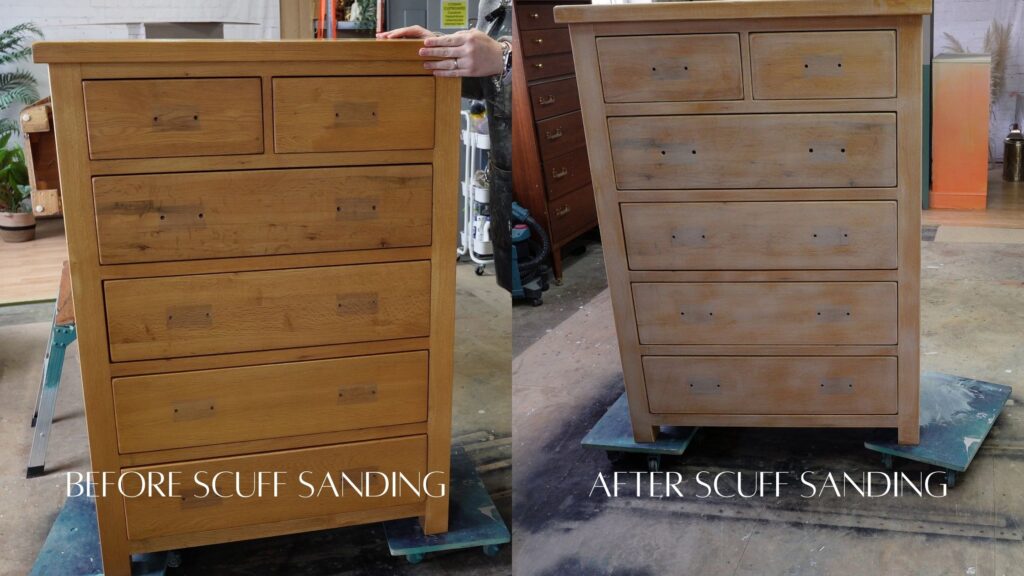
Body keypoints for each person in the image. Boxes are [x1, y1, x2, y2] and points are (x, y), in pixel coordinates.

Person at [377, 0, 513, 291]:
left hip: (526, 154)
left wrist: (504, 57)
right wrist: (442, 49)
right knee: (507, 275)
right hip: (503, 168)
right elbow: (484, 81)